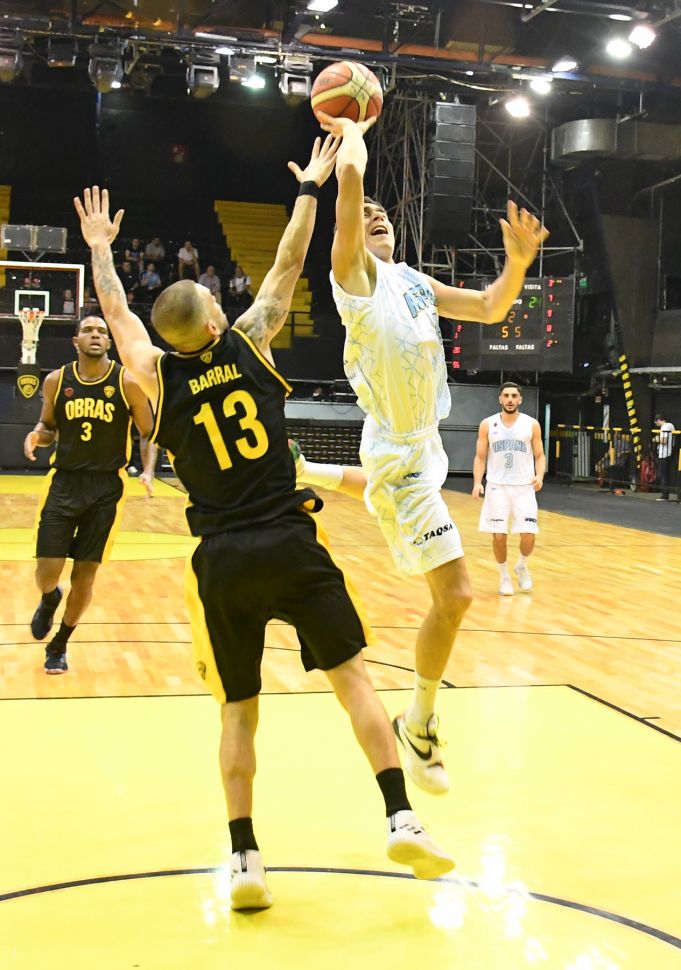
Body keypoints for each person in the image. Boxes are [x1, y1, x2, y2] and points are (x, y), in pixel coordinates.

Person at [74, 138, 454, 911]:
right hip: (289, 539)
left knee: (238, 712)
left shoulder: (154, 377)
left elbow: (116, 313)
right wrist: (310, 188)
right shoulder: (248, 341)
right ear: (214, 317)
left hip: (222, 559)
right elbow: (288, 262)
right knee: (353, 681)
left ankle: (245, 859)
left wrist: (101, 250)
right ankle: (401, 816)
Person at [313, 110, 549, 795]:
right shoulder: (353, 279)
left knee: (451, 594)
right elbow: (350, 193)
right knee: (459, 594)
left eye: (384, 214)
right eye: (367, 215)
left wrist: (516, 264)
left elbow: (488, 308)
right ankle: (417, 724)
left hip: (425, 448)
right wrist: (353, 132)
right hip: (397, 451)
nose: (377, 217)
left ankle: (418, 721)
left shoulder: (413, 280)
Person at [23, 315, 157, 674]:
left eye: (101, 331)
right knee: (47, 572)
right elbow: (48, 426)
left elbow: (147, 432)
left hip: (106, 489)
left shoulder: (127, 382)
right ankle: (49, 597)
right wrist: (36, 436)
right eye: (88, 330)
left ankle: (59, 644)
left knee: (85, 572)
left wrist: (147, 470)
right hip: (64, 483)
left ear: (109, 343)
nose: (95, 335)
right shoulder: (56, 381)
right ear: (76, 341)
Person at [472, 382, 546, 595]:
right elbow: (480, 457)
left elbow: (540, 455)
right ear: (500, 399)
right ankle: (504, 576)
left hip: (524, 487)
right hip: (497, 487)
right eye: (506, 395)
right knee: (499, 536)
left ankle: (521, 565)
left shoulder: (531, 424)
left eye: (514, 396)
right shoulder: (488, 424)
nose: (510, 399)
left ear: (520, 399)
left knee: (529, 534)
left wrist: (540, 475)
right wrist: (477, 482)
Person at [654, 412, 676, 501]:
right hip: (669, 453)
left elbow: (664, 441)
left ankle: (664, 495)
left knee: (662, 474)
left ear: (659, 420)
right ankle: (665, 494)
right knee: (664, 474)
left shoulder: (665, 427)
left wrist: (656, 440)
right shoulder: (671, 425)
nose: (656, 424)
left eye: (656, 422)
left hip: (664, 454)